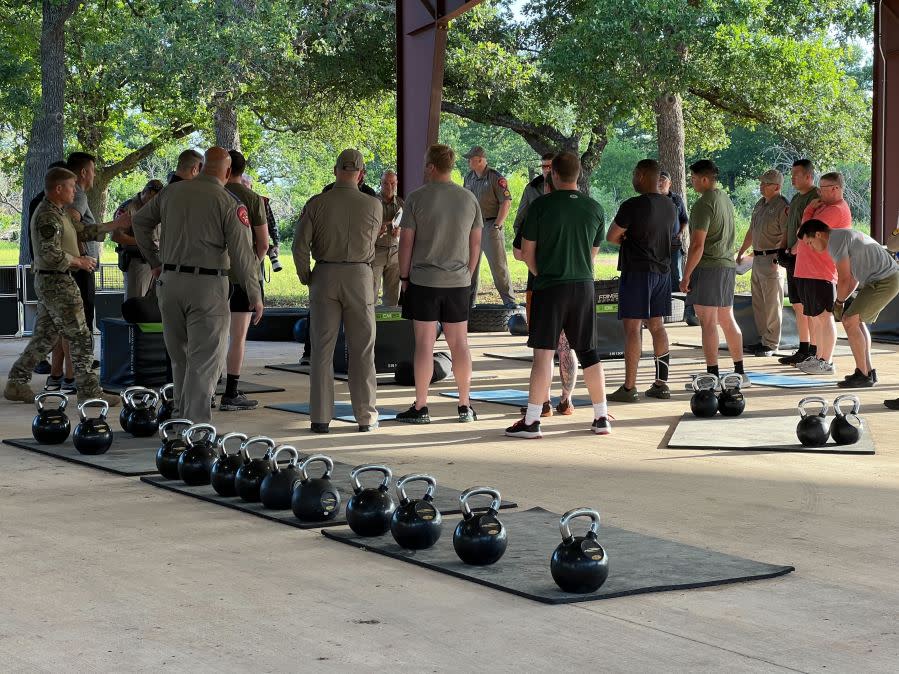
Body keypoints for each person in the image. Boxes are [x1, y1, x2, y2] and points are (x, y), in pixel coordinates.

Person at [132, 147, 263, 424]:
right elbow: (242, 255)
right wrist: (254, 293)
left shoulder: (171, 192)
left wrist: (155, 260)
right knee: (205, 362)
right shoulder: (228, 202)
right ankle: (198, 431)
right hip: (208, 285)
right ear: (228, 172)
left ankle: (179, 421)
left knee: (180, 358)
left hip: (169, 283)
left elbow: (140, 221)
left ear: (202, 167)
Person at [506, 151, 611, 439]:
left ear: (553, 174)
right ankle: (601, 416)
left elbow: (526, 253)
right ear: (578, 175)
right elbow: (592, 255)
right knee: (588, 351)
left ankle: (532, 421)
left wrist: (543, 273)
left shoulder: (540, 206)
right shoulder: (595, 209)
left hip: (549, 286)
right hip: (583, 286)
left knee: (543, 353)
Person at [4, 167, 126, 405]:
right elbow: (50, 253)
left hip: (55, 280)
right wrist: (78, 261)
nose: (75, 191)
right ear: (58, 189)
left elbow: (82, 232)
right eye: (71, 187)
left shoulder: (59, 213)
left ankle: (16, 382)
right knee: (80, 335)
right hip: (56, 280)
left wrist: (115, 224)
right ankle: (89, 390)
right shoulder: (47, 216)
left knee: (45, 337)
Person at [293, 149, 381, 433]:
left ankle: (320, 417)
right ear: (361, 173)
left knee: (321, 350)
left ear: (334, 170)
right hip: (359, 275)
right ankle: (365, 416)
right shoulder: (373, 205)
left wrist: (307, 276)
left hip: (325, 275)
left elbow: (299, 245)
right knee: (362, 350)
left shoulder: (317, 203)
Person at [395, 144, 483, 424]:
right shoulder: (468, 198)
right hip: (458, 282)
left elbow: (406, 242)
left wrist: (404, 277)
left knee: (424, 344)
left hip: (423, 281)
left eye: (425, 165)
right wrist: (467, 274)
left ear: (432, 167)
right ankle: (465, 405)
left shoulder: (417, 198)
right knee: (460, 344)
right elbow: (476, 243)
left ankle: (421, 406)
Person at [798, 220, 899, 388]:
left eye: (810, 242)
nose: (810, 247)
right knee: (854, 321)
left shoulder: (835, 241)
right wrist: (841, 302)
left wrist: (838, 303)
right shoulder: (841, 236)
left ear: (818, 234)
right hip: (880, 280)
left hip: (885, 280)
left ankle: (863, 373)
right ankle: (867, 371)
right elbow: (852, 278)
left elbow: (844, 279)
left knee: (850, 321)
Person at [606, 159, 676, 402]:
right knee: (657, 325)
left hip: (637, 271)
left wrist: (627, 239)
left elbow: (612, 236)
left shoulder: (632, 205)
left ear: (645, 175)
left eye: (636, 174)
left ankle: (629, 387)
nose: (633, 178)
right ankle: (661, 383)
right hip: (663, 272)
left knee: (633, 328)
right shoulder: (670, 206)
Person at [513, 170, 580, 417]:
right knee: (567, 345)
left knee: (543, 349)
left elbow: (519, 251)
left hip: (541, 285)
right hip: (576, 285)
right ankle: (567, 400)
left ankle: (543, 404)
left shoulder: (538, 211)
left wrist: (538, 270)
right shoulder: (584, 209)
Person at [680, 160, 746, 383]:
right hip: (727, 266)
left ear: (704, 179)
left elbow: (697, 244)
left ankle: (713, 373)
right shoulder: (725, 199)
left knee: (707, 321)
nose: (692, 182)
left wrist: (686, 274)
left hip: (709, 267)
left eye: (694, 178)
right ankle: (740, 371)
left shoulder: (703, 204)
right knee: (727, 319)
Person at [222, 150, 269, 411]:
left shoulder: (212, 195)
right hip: (243, 277)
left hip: (214, 275)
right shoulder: (252, 198)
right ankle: (231, 392)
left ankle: (206, 391)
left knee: (213, 335)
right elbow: (262, 243)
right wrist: (251, 266)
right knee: (237, 337)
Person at [792, 172, 852, 375]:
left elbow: (804, 233)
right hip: (808, 270)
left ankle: (826, 360)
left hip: (822, 271)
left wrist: (809, 210)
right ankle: (818, 357)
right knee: (816, 318)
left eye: (823, 188)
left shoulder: (836, 210)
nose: (819, 193)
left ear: (835, 189)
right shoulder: (824, 207)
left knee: (824, 318)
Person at [736, 169, 789, 357]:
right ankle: (762, 340)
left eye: (766, 184)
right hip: (757, 258)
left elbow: (787, 234)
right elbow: (752, 230)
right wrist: (742, 251)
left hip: (773, 258)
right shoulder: (760, 204)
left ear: (777, 187)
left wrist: (780, 257)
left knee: (773, 303)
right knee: (759, 302)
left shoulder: (783, 206)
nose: (762, 186)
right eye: (761, 182)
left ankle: (772, 343)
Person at [778, 159, 820, 365]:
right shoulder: (795, 198)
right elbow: (789, 227)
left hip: (809, 258)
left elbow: (811, 231)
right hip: (793, 256)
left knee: (808, 306)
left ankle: (815, 348)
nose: (793, 177)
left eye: (797, 174)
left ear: (809, 176)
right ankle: (803, 347)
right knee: (796, 303)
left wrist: (795, 249)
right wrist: (783, 248)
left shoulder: (817, 197)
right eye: (792, 174)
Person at [463, 146, 516, 308]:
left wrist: (497, 225)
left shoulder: (495, 177)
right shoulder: (469, 177)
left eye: (470, 158)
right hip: (472, 227)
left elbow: (506, 202)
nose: (468, 161)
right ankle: (468, 303)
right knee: (469, 266)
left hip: (490, 224)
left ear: (480, 159)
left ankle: (509, 301)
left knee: (498, 266)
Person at [112, 179, 164, 299]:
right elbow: (116, 236)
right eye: (155, 198)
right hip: (137, 261)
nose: (156, 202)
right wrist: (144, 243)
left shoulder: (155, 208)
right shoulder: (128, 208)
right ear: (147, 192)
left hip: (155, 261)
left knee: (154, 303)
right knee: (135, 301)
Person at [373, 170, 404, 306]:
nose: (389, 186)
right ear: (380, 183)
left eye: (392, 183)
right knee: (370, 293)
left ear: (396, 183)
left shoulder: (402, 203)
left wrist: (400, 231)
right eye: (385, 183)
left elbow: (409, 228)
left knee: (392, 297)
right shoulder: (372, 202)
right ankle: (371, 325)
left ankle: (389, 325)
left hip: (395, 253)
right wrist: (379, 227)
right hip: (375, 252)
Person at [659, 170, 689, 289]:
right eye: (658, 180)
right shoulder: (652, 199)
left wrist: (681, 233)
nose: (660, 183)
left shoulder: (676, 199)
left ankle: (676, 302)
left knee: (675, 275)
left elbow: (684, 219)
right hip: (656, 245)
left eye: (663, 180)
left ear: (669, 183)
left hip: (674, 244)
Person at [513, 153, 554, 233]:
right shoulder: (531, 188)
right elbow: (520, 218)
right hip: (537, 237)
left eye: (550, 166)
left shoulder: (566, 187)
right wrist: (519, 240)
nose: (547, 170)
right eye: (544, 167)